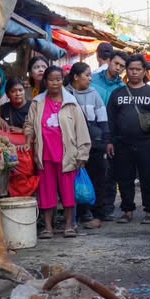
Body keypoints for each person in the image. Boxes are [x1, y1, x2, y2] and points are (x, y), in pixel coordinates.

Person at [23, 66, 91, 239]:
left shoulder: (71, 103)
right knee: (46, 193)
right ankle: (48, 228)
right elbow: (29, 125)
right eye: (52, 79)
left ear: (63, 80)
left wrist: (82, 153)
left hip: (67, 155)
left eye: (58, 79)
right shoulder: (37, 103)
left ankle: (69, 226)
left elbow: (81, 129)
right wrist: (28, 138)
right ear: (45, 81)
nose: (55, 83)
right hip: (45, 155)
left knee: (68, 192)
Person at [106, 54, 150, 224]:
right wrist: (109, 141)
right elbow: (110, 119)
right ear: (127, 70)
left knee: (149, 178)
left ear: (144, 71)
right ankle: (127, 211)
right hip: (122, 143)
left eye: (138, 69)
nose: (134, 72)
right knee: (124, 179)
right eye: (131, 69)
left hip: (146, 143)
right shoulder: (117, 94)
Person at [64, 62, 109, 229]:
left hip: (94, 144)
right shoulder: (65, 94)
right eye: (87, 75)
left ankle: (96, 210)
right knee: (77, 179)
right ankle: (82, 213)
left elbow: (102, 118)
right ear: (76, 77)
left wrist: (104, 141)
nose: (90, 78)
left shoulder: (94, 93)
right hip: (72, 143)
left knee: (96, 176)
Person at [90, 50, 127, 220]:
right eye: (116, 64)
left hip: (112, 133)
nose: (118, 68)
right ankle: (90, 208)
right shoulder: (92, 80)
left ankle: (108, 208)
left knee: (111, 172)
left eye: (122, 66)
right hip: (91, 130)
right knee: (92, 171)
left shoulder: (122, 88)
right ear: (109, 61)